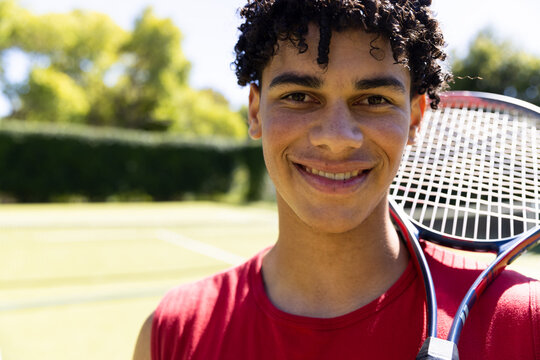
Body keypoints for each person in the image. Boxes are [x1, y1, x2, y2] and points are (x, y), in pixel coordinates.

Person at [133, 1, 540, 359]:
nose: (336, 138)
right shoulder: (174, 331)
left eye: (374, 100)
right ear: (256, 112)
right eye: (299, 96)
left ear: (415, 119)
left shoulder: (527, 319)